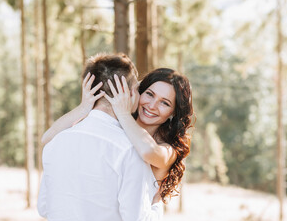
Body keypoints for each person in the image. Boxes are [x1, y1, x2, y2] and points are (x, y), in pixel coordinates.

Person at [37, 53, 163, 221]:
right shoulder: (129, 150)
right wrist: (157, 204)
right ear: (129, 93)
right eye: (138, 89)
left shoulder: (56, 143)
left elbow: (44, 207)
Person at [42, 67, 194, 205]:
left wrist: (123, 113)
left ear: (172, 114)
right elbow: (48, 139)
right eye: (149, 94)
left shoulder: (167, 151)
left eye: (165, 103)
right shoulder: (115, 129)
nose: (152, 105)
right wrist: (83, 108)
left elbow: (147, 151)